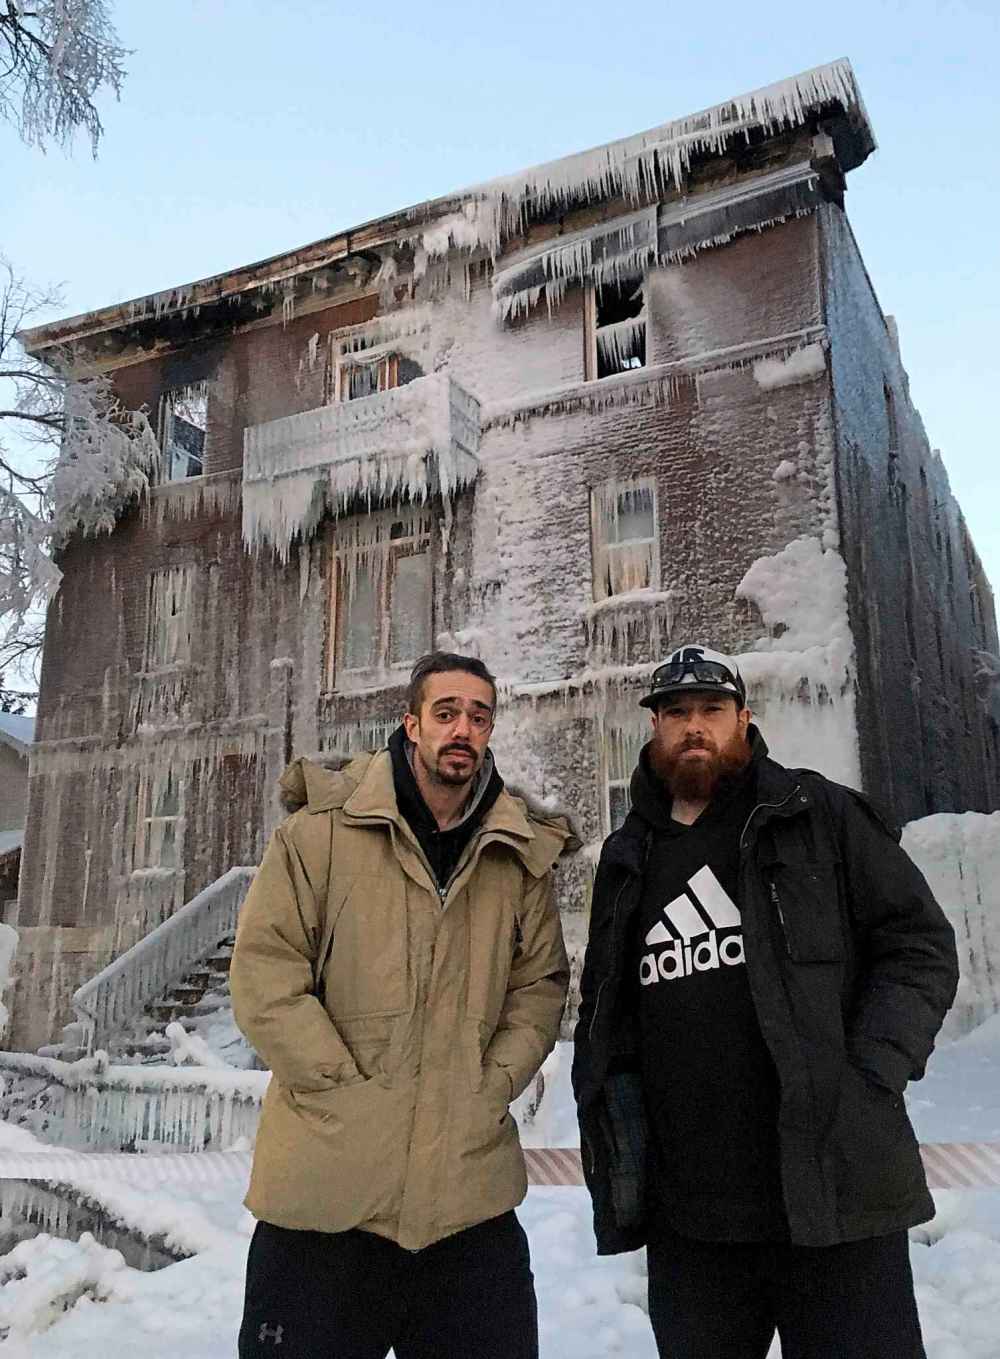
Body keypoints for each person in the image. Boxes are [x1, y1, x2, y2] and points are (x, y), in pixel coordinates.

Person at [573, 642, 958, 1359]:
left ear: (744, 718)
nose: (695, 726)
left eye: (712, 710)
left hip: (834, 1199)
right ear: (653, 728)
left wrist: (870, 1070)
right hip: (693, 1228)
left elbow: (920, 945)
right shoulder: (627, 860)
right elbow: (608, 1018)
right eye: (676, 712)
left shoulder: (817, 813)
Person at [230, 651, 575, 1359]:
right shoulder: (319, 833)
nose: (463, 729)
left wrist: (495, 1082)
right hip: (327, 1200)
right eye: (446, 712)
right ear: (410, 722)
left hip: (466, 1201)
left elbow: (539, 986)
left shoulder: (517, 854)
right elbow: (266, 977)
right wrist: (344, 1091)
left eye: (479, 716)